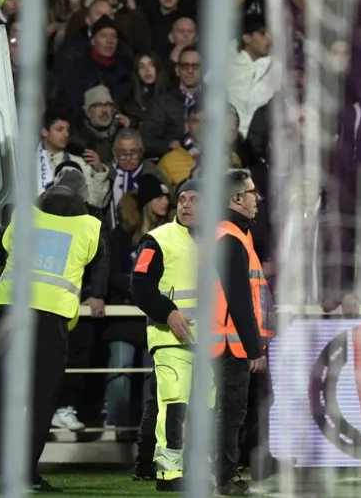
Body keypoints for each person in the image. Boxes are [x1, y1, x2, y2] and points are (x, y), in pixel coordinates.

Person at [0, 171, 105, 494]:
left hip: (11, 311)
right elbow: (96, 262)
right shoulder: (90, 226)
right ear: (82, 197)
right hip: (52, 319)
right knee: (41, 398)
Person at [130, 179, 201, 492]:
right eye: (182, 199)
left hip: (212, 341)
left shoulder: (221, 238)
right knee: (175, 404)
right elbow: (139, 285)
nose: (186, 205)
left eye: (195, 200)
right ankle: (169, 473)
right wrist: (168, 313)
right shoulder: (157, 240)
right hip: (170, 338)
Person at [211, 168, 274, 496]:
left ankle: (228, 472)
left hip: (229, 342)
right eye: (252, 193)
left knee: (237, 410)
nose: (257, 198)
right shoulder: (230, 237)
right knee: (232, 413)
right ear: (236, 198)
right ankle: (226, 478)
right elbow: (238, 299)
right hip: (229, 344)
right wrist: (253, 348)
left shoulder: (235, 234)